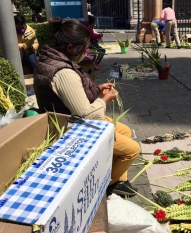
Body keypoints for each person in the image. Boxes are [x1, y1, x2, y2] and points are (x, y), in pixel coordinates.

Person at [33, 17, 141, 197]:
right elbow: (85, 114)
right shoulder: (63, 72)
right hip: (71, 126)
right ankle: (107, 182)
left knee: (126, 131)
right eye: (84, 49)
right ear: (70, 48)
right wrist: (104, 100)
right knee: (132, 150)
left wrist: (97, 90)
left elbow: (69, 94)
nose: (86, 52)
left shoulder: (49, 59)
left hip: (67, 116)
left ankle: (119, 182)